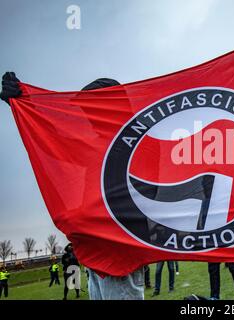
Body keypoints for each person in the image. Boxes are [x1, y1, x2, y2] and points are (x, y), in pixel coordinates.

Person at [0, 74, 145, 300]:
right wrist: (22, 102)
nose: (86, 116)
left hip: (118, 256)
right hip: (96, 254)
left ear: (108, 106)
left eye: (90, 108)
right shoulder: (97, 143)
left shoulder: (136, 143)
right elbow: (53, 142)